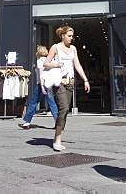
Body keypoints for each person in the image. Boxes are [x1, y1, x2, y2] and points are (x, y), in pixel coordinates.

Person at [43, 24, 90, 152]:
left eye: (72, 36)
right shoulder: (56, 47)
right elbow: (46, 63)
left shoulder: (73, 49)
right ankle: (57, 139)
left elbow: (77, 65)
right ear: (63, 35)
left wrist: (85, 79)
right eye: (69, 36)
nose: (71, 38)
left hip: (70, 82)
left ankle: (58, 136)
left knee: (65, 110)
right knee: (63, 108)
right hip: (59, 82)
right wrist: (56, 64)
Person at [19, 45, 59, 129]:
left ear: (39, 52)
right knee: (52, 103)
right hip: (49, 83)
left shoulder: (40, 61)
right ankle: (58, 122)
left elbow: (41, 74)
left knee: (33, 102)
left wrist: (41, 85)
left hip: (42, 84)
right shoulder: (49, 60)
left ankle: (27, 121)